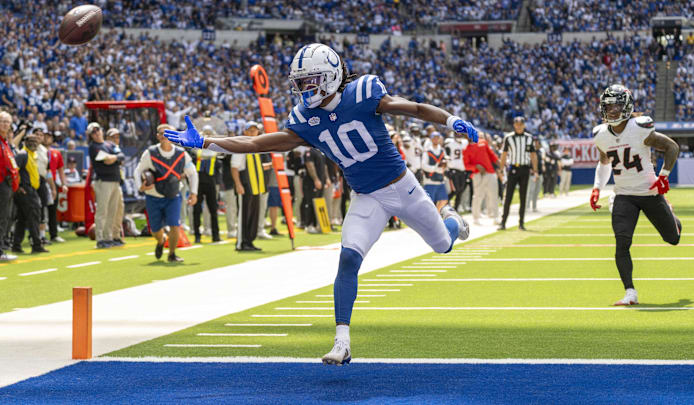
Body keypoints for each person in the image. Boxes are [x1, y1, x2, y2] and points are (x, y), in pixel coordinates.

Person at [164, 43, 475, 366]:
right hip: (367, 197)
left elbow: (415, 108)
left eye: (308, 81)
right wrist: (206, 142)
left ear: (329, 77)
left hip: (403, 187)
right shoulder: (304, 117)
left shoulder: (364, 92)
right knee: (348, 259)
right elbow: (256, 143)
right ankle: (342, 341)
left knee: (442, 245)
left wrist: (451, 120)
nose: (302, 88)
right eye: (298, 82)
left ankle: (451, 218)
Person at [590, 84, 681, 306]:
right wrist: (596, 188)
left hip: (649, 192)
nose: (612, 111)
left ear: (627, 106)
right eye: (609, 106)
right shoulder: (601, 135)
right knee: (622, 243)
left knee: (673, 239)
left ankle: (672, 215)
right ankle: (630, 292)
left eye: (617, 105)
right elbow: (604, 163)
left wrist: (664, 175)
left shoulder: (640, 128)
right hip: (623, 195)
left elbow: (672, 147)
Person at [133, 124, 198, 262]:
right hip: (153, 196)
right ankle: (161, 240)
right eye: (162, 133)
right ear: (158, 136)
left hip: (173, 196)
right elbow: (138, 171)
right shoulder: (150, 153)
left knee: (175, 225)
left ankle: (172, 254)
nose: (165, 136)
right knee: (155, 230)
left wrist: (194, 193)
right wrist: (141, 187)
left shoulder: (181, 154)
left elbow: (192, 174)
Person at [230, 121, 270, 251]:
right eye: (250, 130)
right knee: (244, 214)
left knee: (254, 214)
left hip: (256, 186)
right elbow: (235, 167)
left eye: (255, 130)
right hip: (245, 185)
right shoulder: (241, 146)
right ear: (245, 132)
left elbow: (256, 167)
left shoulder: (258, 147)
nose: (253, 132)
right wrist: (238, 184)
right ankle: (242, 242)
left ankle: (250, 241)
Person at [88, 123, 125, 248]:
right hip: (103, 181)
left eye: (98, 130)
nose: (97, 133)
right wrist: (115, 158)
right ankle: (100, 238)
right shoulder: (93, 147)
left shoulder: (110, 144)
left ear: (102, 130)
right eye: (93, 132)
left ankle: (109, 237)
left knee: (113, 211)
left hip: (115, 180)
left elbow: (121, 156)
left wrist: (113, 158)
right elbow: (105, 160)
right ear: (91, 135)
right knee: (102, 210)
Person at [498, 116, 538, 231]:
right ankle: (503, 222)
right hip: (513, 169)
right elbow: (504, 155)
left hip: (525, 169)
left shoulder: (529, 138)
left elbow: (533, 155)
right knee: (508, 196)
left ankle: (521, 223)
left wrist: (535, 170)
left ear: (524, 125)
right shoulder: (509, 138)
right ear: (514, 125)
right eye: (517, 124)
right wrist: (501, 169)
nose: (519, 126)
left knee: (523, 197)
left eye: (521, 124)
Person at [11, 135, 48, 254]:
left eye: (35, 141)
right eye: (30, 141)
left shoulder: (32, 155)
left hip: (29, 190)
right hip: (26, 190)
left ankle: (16, 245)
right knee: (34, 217)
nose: (33, 143)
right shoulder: (23, 154)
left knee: (22, 219)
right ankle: (36, 245)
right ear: (25, 142)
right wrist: (19, 187)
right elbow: (14, 170)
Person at [191, 127, 221, 243]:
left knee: (213, 209)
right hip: (198, 183)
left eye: (210, 134)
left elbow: (219, 164)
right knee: (197, 210)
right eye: (205, 134)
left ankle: (215, 235)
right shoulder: (195, 149)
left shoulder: (215, 149)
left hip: (211, 182)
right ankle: (197, 235)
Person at [464, 132, 501, 225]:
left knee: (494, 195)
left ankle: (496, 217)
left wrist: (499, 163)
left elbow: (491, 155)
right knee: (478, 196)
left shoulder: (483, 142)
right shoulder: (466, 149)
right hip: (477, 175)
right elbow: (466, 166)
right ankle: (476, 218)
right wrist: (476, 166)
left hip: (490, 172)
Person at [43, 130, 68, 243]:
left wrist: (64, 184)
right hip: (41, 181)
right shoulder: (38, 151)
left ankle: (54, 235)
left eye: (49, 136)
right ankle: (39, 235)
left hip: (53, 182)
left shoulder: (56, 153)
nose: (46, 138)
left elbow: (61, 170)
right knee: (40, 209)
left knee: (53, 210)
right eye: (45, 136)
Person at [0, 111, 19, 261]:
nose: (5, 124)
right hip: (1, 183)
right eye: (2, 121)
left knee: (5, 218)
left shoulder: (6, 143)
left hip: (7, 185)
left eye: (7, 121)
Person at [105, 128, 125, 245]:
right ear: (108, 138)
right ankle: (108, 236)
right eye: (113, 137)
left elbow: (121, 161)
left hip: (117, 181)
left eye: (117, 137)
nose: (115, 139)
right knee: (109, 210)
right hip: (108, 181)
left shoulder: (117, 149)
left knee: (119, 208)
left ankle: (116, 235)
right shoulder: (105, 147)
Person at [422, 131, 448, 208]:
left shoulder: (442, 150)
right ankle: (430, 218)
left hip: (440, 179)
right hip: (430, 180)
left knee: (444, 200)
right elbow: (423, 165)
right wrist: (435, 168)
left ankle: (437, 215)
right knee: (430, 202)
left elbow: (447, 161)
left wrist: (445, 164)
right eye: (434, 138)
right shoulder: (427, 151)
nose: (436, 140)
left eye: (437, 138)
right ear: (431, 139)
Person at [444, 132, 468, 211]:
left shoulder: (465, 142)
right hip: (453, 170)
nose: (459, 135)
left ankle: (456, 209)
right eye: (457, 134)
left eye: (460, 134)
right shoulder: (450, 143)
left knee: (460, 191)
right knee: (456, 190)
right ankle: (444, 205)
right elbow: (445, 154)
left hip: (463, 170)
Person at [526, 137, 544, 212]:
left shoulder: (539, 151)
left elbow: (540, 162)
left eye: (537, 141)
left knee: (537, 191)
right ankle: (527, 207)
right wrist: (533, 171)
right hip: (532, 173)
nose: (536, 143)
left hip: (540, 173)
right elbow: (528, 162)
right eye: (535, 141)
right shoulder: (529, 151)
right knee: (530, 190)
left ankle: (534, 207)